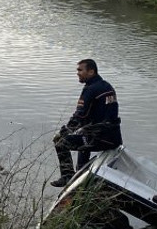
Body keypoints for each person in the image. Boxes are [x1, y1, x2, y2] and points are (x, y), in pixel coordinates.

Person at [50, 59, 122, 187]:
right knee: (83, 135)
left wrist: (64, 131)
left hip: (100, 138)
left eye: (80, 70)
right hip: (114, 137)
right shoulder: (106, 86)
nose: (77, 73)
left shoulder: (91, 89)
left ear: (91, 72)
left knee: (60, 141)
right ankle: (80, 174)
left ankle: (67, 176)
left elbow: (80, 116)